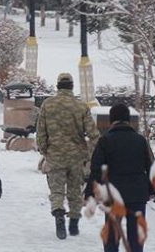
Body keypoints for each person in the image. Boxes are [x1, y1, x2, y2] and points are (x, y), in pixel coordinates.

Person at [36, 73, 100, 240]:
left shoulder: (47, 105)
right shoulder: (81, 106)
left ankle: (58, 213)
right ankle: (73, 222)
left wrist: (45, 151)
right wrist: (92, 154)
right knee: (74, 190)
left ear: (58, 86)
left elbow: (41, 132)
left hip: (55, 155)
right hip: (76, 156)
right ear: (72, 86)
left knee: (56, 189)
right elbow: (93, 134)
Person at [84, 104, 154, 252]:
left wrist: (90, 192)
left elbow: (96, 169)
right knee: (135, 237)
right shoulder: (140, 140)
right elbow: (151, 167)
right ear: (128, 120)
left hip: (113, 195)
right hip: (137, 195)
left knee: (112, 235)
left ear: (112, 120)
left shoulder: (105, 141)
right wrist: (153, 189)